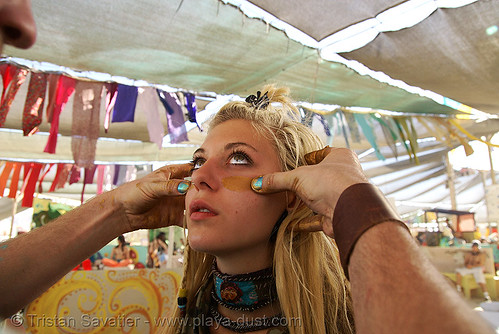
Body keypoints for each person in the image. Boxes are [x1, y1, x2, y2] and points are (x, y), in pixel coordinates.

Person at [0, 3, 495, 333]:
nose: (201, 177)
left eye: (238, 158)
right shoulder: (143, 309)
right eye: (198, 160)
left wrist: (354, 203)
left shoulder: (354, 318)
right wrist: (116, 211)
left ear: (292, 192)